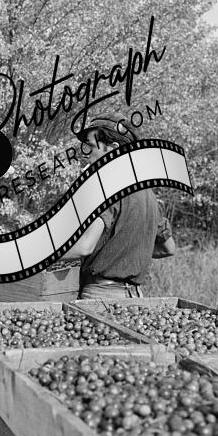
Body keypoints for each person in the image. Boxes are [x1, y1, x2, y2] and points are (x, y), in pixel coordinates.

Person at [62, 112, 161, 299]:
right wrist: (121, 253)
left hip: (101, 294)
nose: (87, 154)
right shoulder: (147, 192)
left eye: (91, 146)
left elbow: (84, 246)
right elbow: (167, 248)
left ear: (114, 149)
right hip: (135, 297)